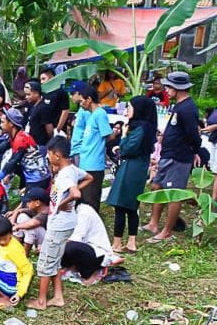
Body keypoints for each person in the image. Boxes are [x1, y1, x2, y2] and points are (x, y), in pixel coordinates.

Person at [27, 136, 92, 310]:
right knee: (55, 260)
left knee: (46, 261)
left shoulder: (64, 175)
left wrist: (63, 203)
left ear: (57, 155)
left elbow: (76, 194)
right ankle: (58, 297)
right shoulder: (72, 169)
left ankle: (41, 302)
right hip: (68, 223)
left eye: (49, 154)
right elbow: (89, 178)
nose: (48, 158)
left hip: (60, 224)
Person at [145, 71, 201, 243]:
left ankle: (167, 230)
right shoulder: (178, 105)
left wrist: (195, 151)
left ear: (178, 88)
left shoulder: (188, 109)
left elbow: (193, 134)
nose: (166, 89)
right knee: (157, 186)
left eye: (168, 86)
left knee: (173, 193)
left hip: (179, 157)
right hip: (167, 154)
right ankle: (153, 223)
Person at [106, 96, 158, 253]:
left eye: (129, 107)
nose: (127, 110)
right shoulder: (146, 127)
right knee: (131, 206)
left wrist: (123, 136)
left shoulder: (139, 128)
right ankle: (131, 242)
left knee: (121, 205)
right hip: (137, 169)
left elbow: (127, 149)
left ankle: (117, 243)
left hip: (131, 170)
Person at [0, 107, 49, 194]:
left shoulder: (20, 140)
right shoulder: (13, 136)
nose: (0, 123)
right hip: (28, 172)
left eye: (3, 121)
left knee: (27, 204)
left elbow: (12, 163)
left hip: (37, 177)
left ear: (11, 124)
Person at [62, 203, 122, 285]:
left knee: (71, 247)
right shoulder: (67, 213)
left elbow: (74, 239)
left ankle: (90, 274)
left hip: (97, 253)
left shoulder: (84, 212)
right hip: (83, 249)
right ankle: (72, 267)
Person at [77, 86, 112, 213]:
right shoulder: (91, 115)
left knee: (90, 199)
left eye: (82, 101)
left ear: (89, 99)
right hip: (85, 161)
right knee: (83, 198)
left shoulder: (100, 114)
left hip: (94, 164)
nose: (80, 104)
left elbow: (107, 135)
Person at [10, 187, 50, 255]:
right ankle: (16, 248)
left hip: (48, 241)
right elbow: (19, 211)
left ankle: (24, 255)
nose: (27, 203)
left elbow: (32, 223)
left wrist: (16, 227)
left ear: (37, 203)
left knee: (30, 227)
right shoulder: (36, 209)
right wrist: (13, 222)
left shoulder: (46, 211)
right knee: (22, 216)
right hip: (41, 238)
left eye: (29, 201)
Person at [24, 80, 54, 154]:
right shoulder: (31, 105)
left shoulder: (43, 108)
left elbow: (49, 129)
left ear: (36, 93)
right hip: (30, 143)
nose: (26, 97)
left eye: (28, 95)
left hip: (40, 145)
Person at [39, 68, 70, 133]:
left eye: (43, 79)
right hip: (45, 131)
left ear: (52, 78)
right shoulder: (44, 93)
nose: (41, 82)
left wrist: (58, 129)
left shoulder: (61, 93)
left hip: (57, 130)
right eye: (40, 79)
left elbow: (65, 111)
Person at [69, 81, 89, 164]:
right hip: (75, 150)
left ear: (79, 93)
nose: (71, 96)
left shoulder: (87, 111)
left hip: (81, 151)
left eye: (73, 93)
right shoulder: (81, 109)